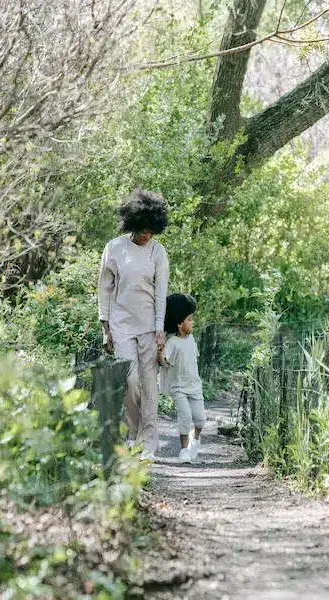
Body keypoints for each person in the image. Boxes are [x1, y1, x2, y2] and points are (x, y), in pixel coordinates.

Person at [98, 189, 169, 461]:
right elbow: (104, 288)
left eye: (151, 231)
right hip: (120, 324)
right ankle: (134, 435)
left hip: (150, 326)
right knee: (129, 381)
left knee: (149, 384)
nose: (146, 235)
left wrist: (160, 330)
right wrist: (105, 327)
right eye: (142, 230)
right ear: (132, 225)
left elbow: (161, 293)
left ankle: (149, 443)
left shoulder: (158, 252)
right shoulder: (114, 248)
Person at [158, 293, 205, 464]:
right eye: (190, 320)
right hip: (178, 387)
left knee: (200, 419)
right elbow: (163, 363)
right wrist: (159, 353)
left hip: (194, 386)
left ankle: (195, 436)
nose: (193, 323)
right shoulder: (172, 343)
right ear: (179, 324)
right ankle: (184, 449)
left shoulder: (192, 339)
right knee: (184, 417)